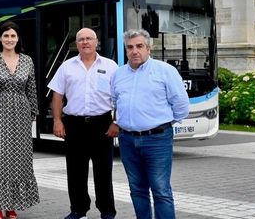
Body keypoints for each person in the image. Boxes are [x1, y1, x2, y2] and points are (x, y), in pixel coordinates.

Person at [112, 29, 190, 219]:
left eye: (139, 46)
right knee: (137, 189)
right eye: (130, 47)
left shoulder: (165, 71)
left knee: (160, 189)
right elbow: (115, 102)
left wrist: (162, 124)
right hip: (127, 139)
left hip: (157, 139)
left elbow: (181, 104)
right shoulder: (118, 74)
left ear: (148, 48)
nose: (134, 51)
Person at [47, 27, 119, 219]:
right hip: (74, 125)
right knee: (75, 171)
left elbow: (120, 96)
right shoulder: (67, 67)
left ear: (96, 42)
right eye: (81, 39)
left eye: (89, 38)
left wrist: (116, 122)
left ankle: (107, 211)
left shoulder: (111, 66)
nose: (85, 42)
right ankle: (78, 210)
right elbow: (57, 95)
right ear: (76, 44)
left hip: (102, 124)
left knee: (103, 171)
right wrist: (57, 121)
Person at [0, 21, 39, 219]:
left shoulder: (27, 60)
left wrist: (32, 115)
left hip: (21, 115)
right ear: (0, 38)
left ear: (18, 38)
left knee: (18, 161)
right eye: (6, 36)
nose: (9, 39)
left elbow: (32, 89)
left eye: (13, 36)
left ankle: (11, 205)